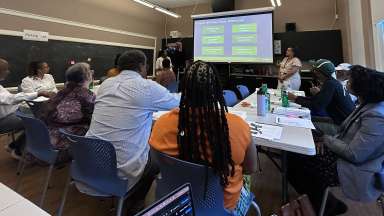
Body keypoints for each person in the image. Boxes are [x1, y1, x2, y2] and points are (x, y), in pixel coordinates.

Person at [149, 61, 258, 214]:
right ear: (217, 91)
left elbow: (158, 163)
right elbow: (251, 168)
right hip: (222, 209)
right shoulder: (238, 126)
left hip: (177, 204)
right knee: (244, 177)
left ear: (184, 89)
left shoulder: (162, 124)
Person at [86, 50, 179, 214]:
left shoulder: (106, 84)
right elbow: (177, 103)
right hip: (121, 169)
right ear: (142, 66)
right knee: (159, 158)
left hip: (90, 162)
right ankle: (134, 201)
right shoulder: (147, 87)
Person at [287, 65, 384, 216]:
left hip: (353, 168)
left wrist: (326, 139)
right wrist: (328, 141)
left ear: (362, 86)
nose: (347, 82)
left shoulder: (376, 116)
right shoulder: (367, 105)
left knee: (296, 162)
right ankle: (322, 201)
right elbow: (344, 135)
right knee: (294, 155)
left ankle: (325, 205)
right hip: (342, 154)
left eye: (350, 79)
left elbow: (355, 154)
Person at [40, 63, 95, 163]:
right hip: (61, 145)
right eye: (90, 71)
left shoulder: (61, 92)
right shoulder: (87, 95)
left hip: (44, 141)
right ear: (87, 76)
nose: (92, 73)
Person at [0, 58, 50, 159]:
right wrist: (38, 93)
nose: (8, 72)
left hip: (12, 113)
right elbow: (10, 99)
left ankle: (14, 145)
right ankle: (19, 151)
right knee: (37, 123)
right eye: (5, 69)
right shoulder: (27, 81)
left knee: (38, 119)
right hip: (3, 119)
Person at [288, 59, 355, 132]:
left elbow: (316, 106)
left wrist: (295, 99)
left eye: (316, 72)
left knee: (303, 125)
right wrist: (296, 98)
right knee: (304, 118)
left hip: (342, 126)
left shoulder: (330, 84)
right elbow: (315, 100)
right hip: (339, 121)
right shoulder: (332, 82)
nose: (315, 75)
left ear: (320, 73)